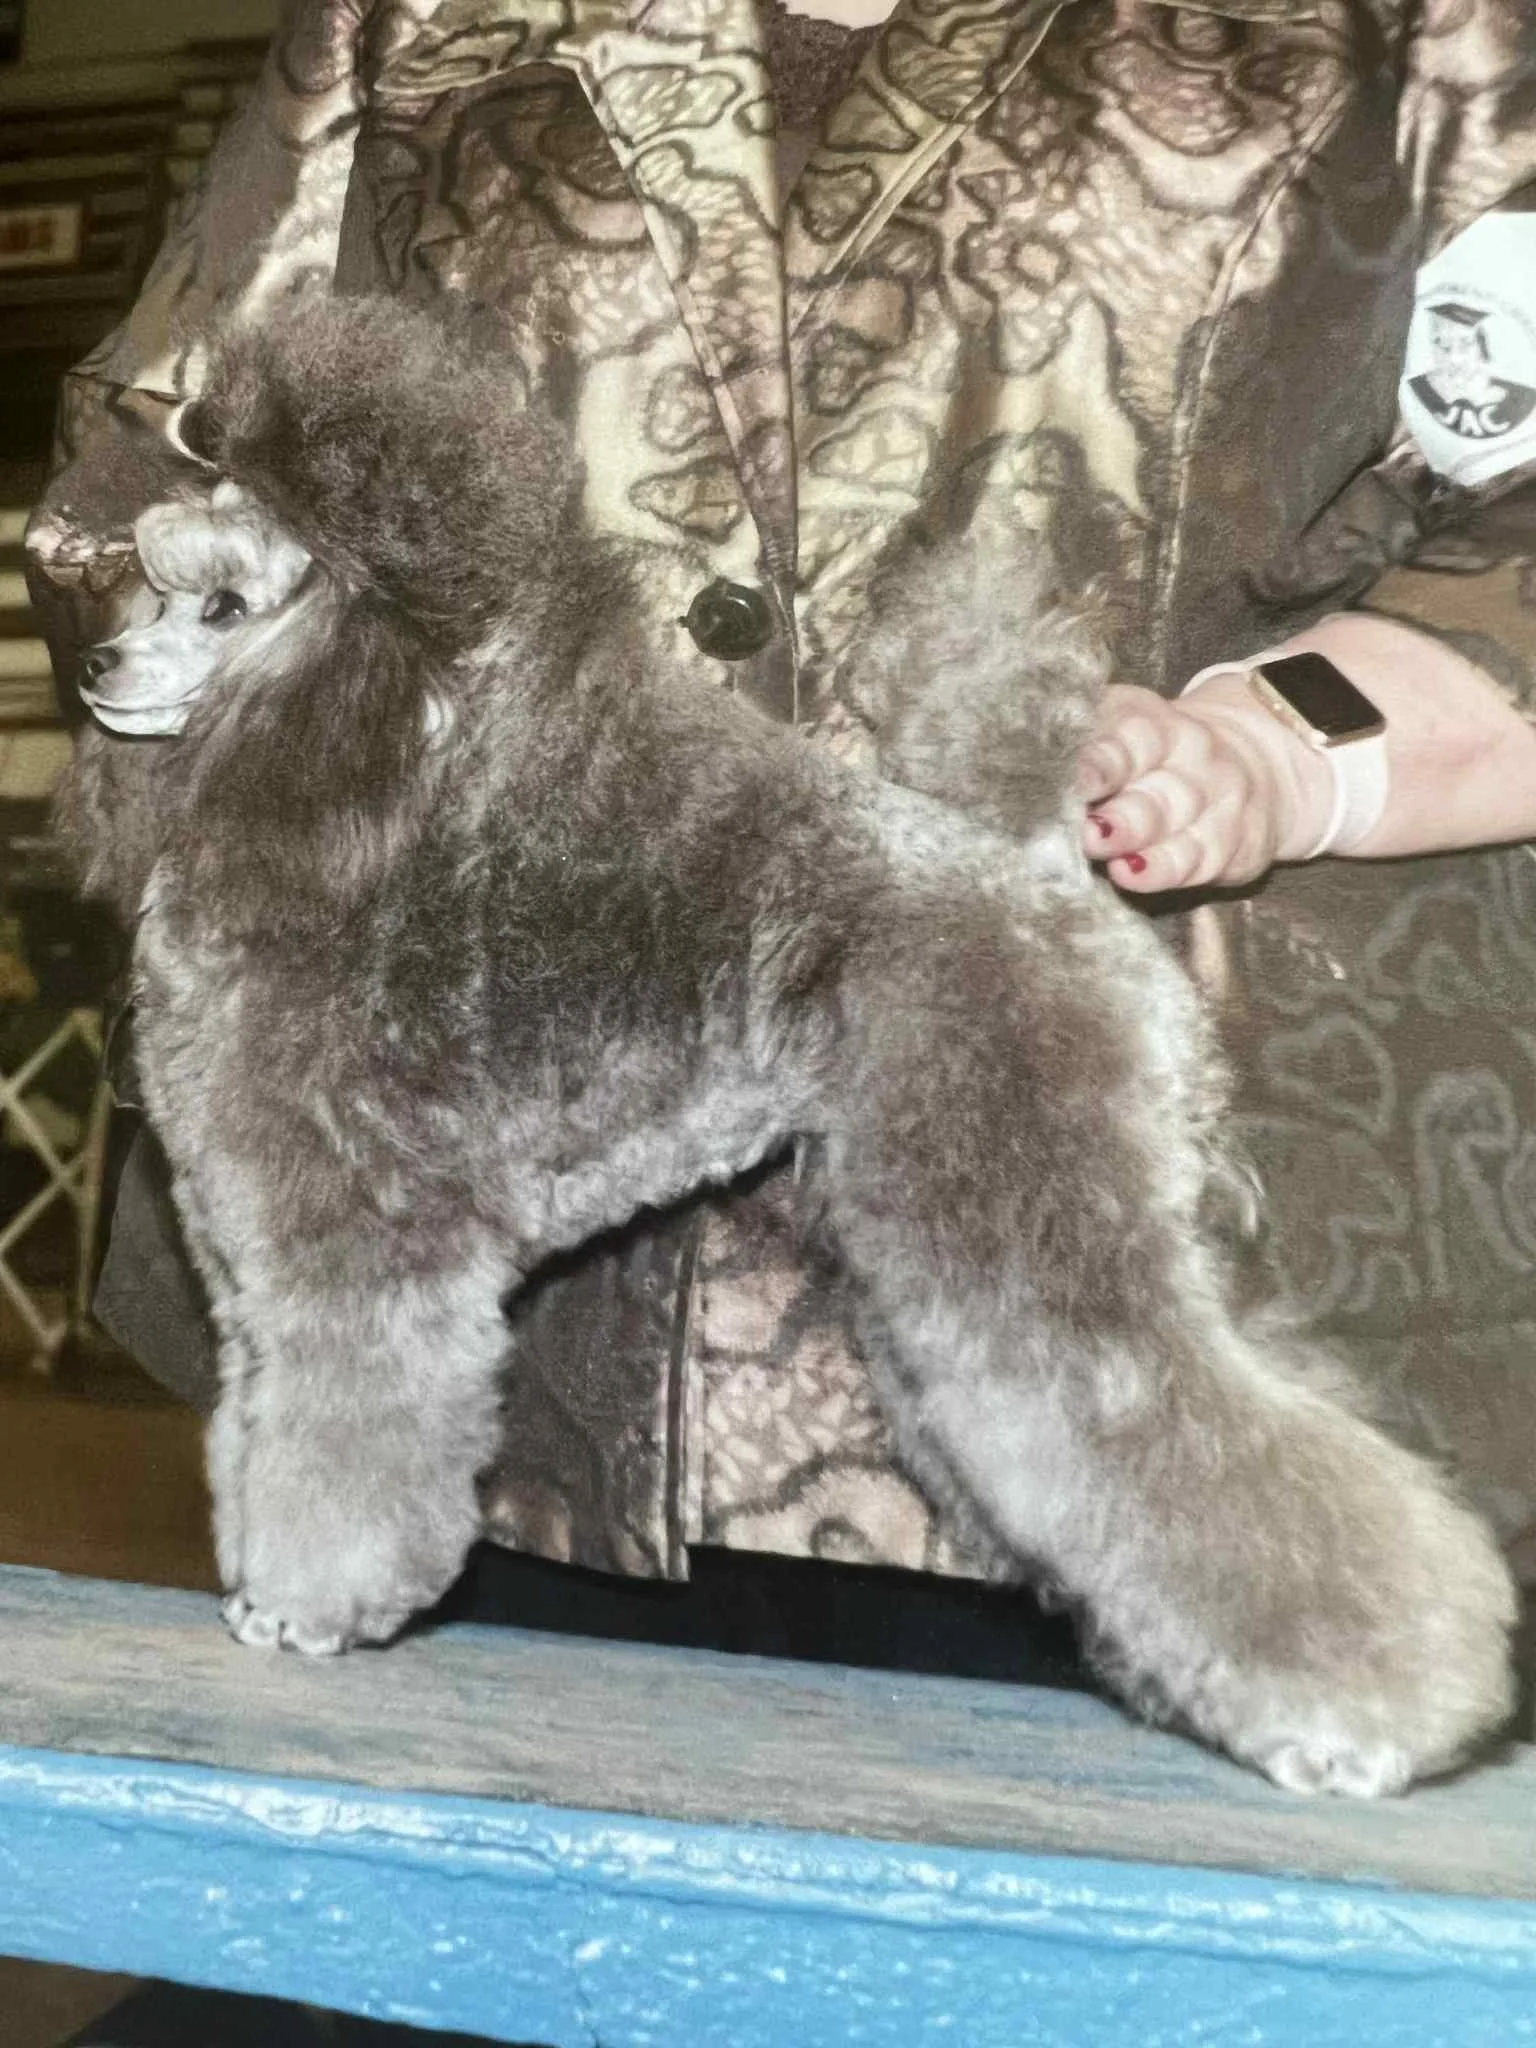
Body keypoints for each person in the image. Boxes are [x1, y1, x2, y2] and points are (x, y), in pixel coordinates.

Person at [28, 0, 1536, 1662]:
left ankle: (1330, 1629)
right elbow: (137, 468)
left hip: (1183, 1134)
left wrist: (1277, 755)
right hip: (550, 1419)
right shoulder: (411, 22)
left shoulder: (1425, 39)